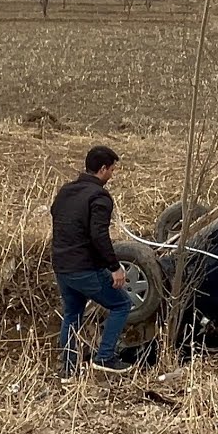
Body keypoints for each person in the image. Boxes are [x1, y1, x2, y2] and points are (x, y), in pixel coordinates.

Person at [50, 145, 133, 380]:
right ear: (103, 169)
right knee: (121, 305)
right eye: (112, 170)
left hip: (62, 266)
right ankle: (105, 358)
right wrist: (115, 267)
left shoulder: (66, 191)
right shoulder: (99, 197)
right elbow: (99, 235)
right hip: (85, 267)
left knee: (72, 315)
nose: (112, 175)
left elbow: (56, 215)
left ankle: (68, 370)